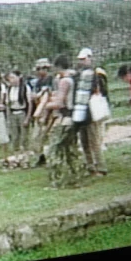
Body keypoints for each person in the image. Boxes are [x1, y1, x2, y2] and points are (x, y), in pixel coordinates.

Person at [44, 55, 85, 188]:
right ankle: (76, 177)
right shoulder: (73, 78)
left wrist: (46, 105)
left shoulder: (64, 81)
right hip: (73, 117)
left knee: (54, 149)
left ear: (58, 67)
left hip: (64, 118)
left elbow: (60, 102)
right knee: (71, 149)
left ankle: (58, 180)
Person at [75, 48, 109, 176]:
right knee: (84, 141)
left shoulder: (97, 73)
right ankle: (90, 166)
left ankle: (101, 166)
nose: (82, 62)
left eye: (84, 59)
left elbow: (101, 91)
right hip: (82, 112)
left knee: (94, 141)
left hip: (92, 111)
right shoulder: (79, 74)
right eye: (81, 60)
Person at [25, 58, 53, 166]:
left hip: (48, 111)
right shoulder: (37, 82)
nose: (39, 71)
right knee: (36, 137)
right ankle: (41, 157)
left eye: (41, 69)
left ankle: (52, 157)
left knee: (49, 136)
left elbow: (48, 96)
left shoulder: (51, 80)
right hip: (38, 110)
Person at [5, 71, 30, 153]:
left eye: (13, 77)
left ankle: (25, 157)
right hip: (13, 114)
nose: (11, 80)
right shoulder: (9, 89)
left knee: (24, 136)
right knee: (15, 136)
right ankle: (16, 156)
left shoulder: (25, 88)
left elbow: (29, 104)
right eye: (10, 78)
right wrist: (8, 118)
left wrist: (27, 118)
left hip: (22, 113)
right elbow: (8, 104)